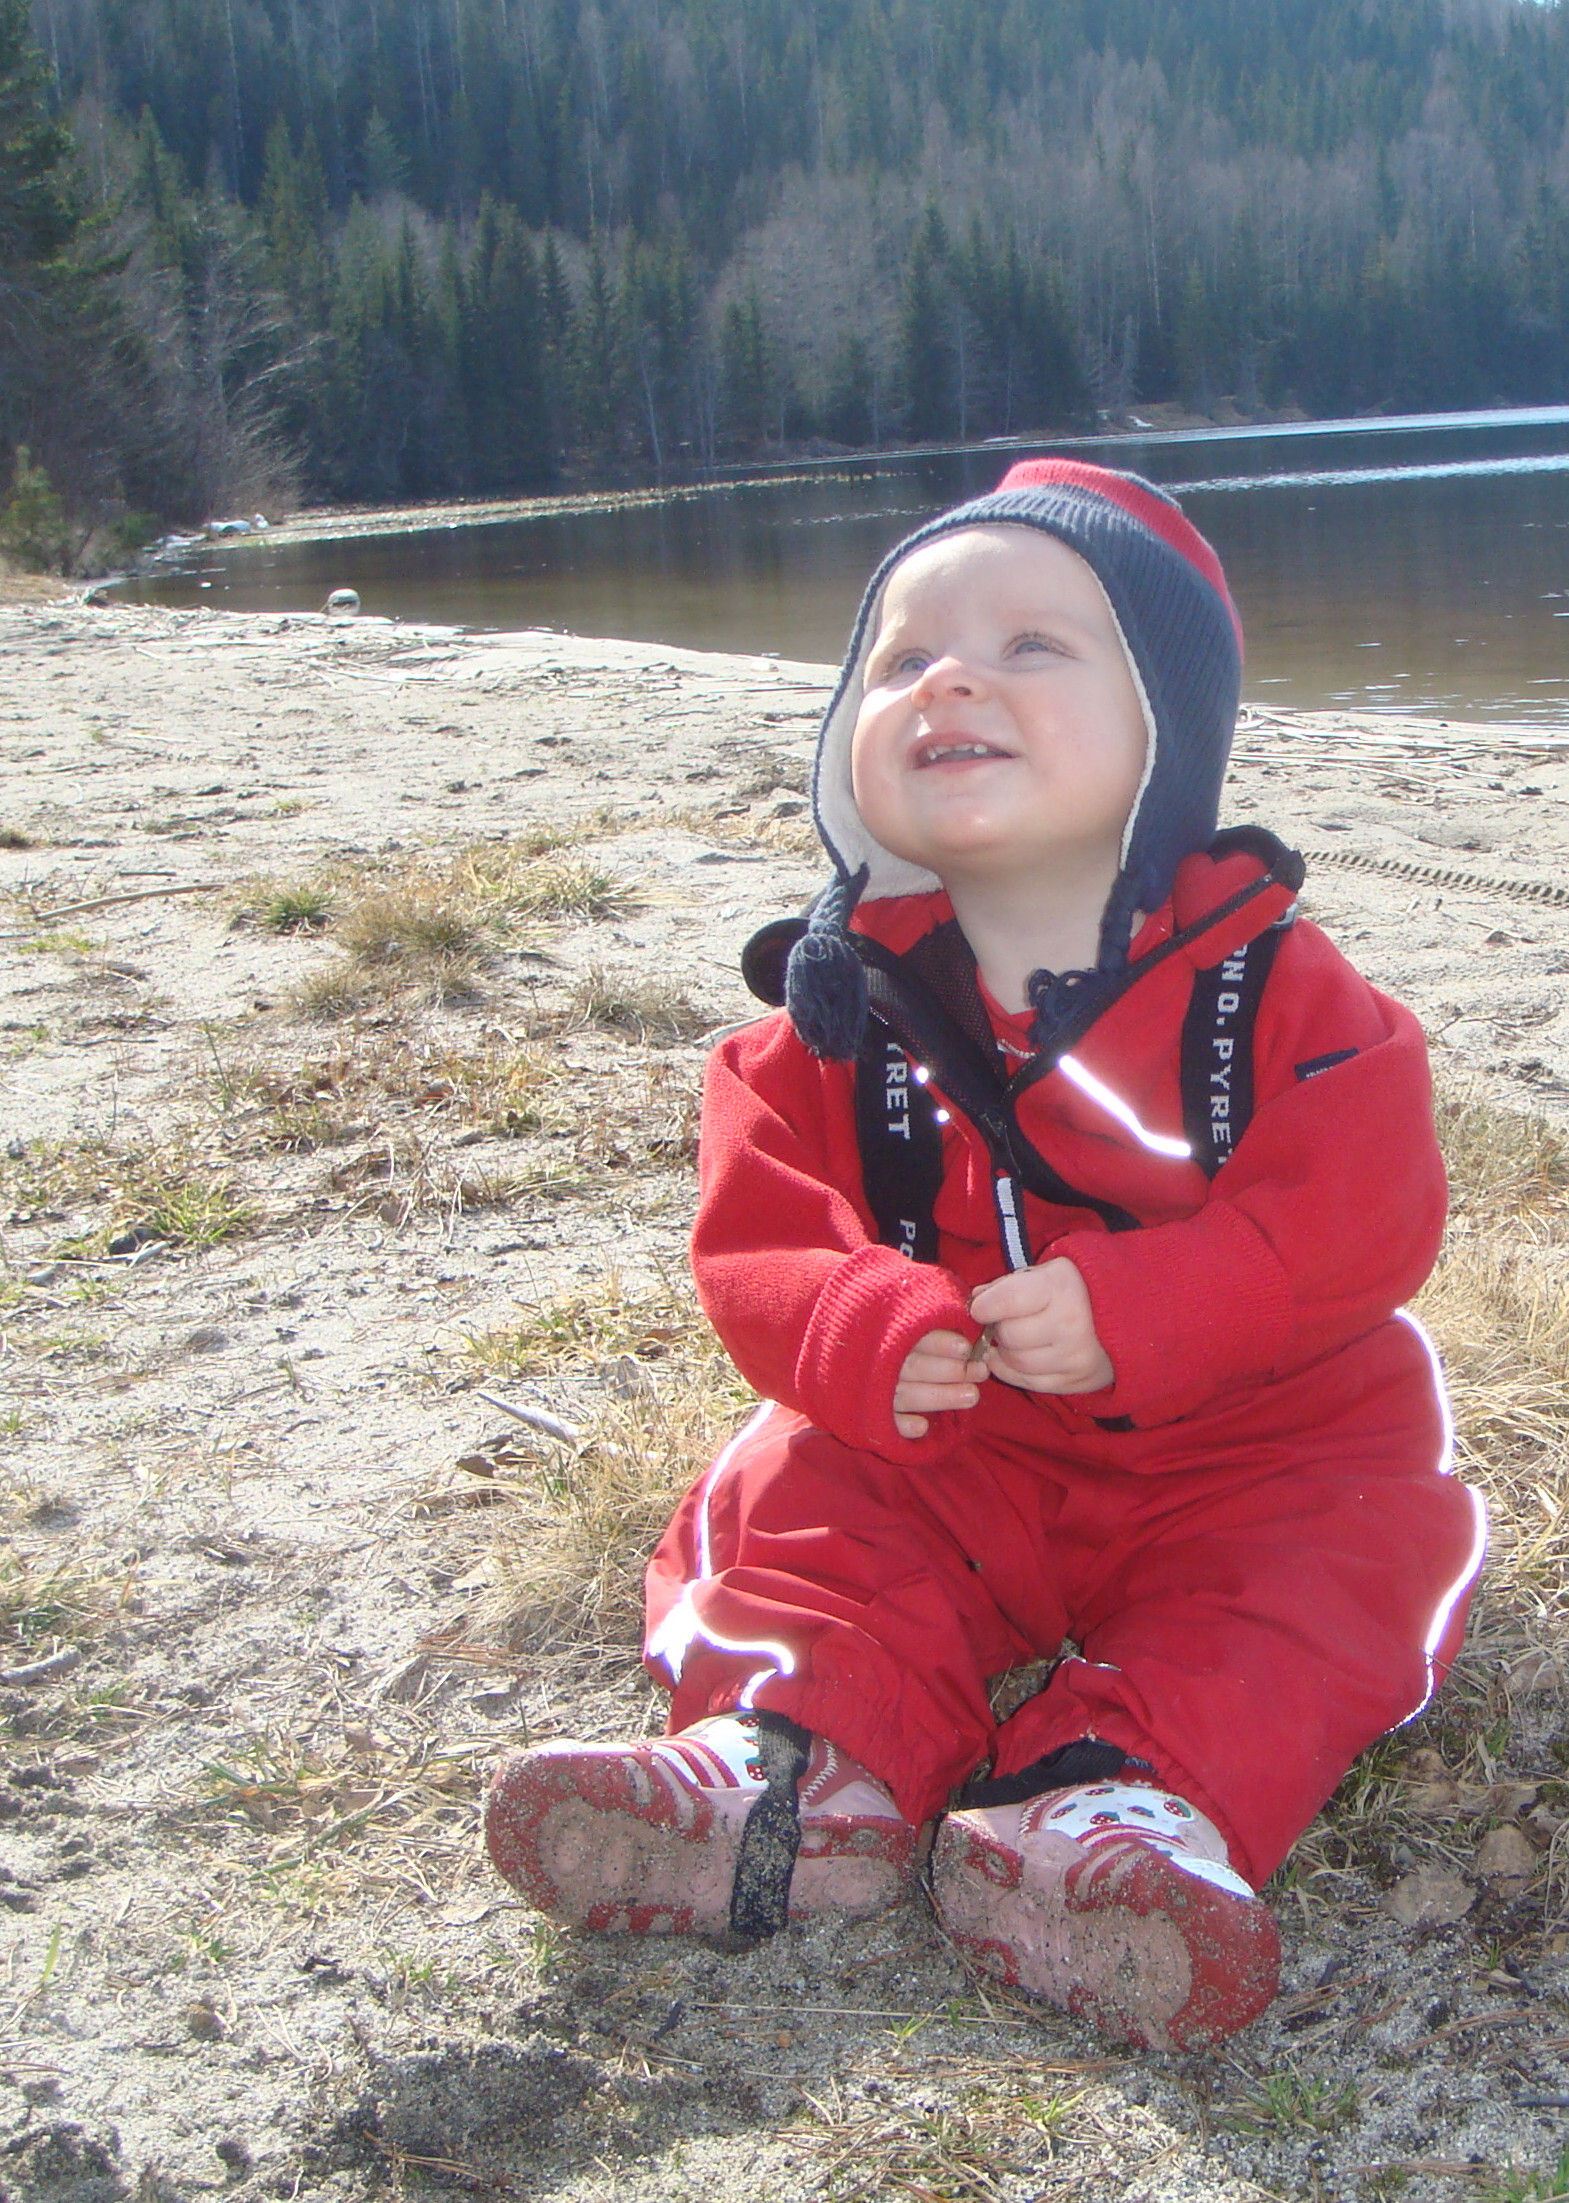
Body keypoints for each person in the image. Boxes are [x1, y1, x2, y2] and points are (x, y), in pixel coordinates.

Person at [481, 460, 1485, 2051]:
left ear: (1164, 731)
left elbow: (1368, 1210)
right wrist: (858, 1322)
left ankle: (1112, 1806)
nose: (950, 681)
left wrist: (1157, 1304)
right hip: (962, 1451)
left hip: (1255, 1453)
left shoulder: (1275, 993)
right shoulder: (826, 1029)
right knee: (802, 1495)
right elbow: (759, 1235)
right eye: (902, 659)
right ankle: (792, 1765)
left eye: (1033, 646)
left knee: (1346, 1565)